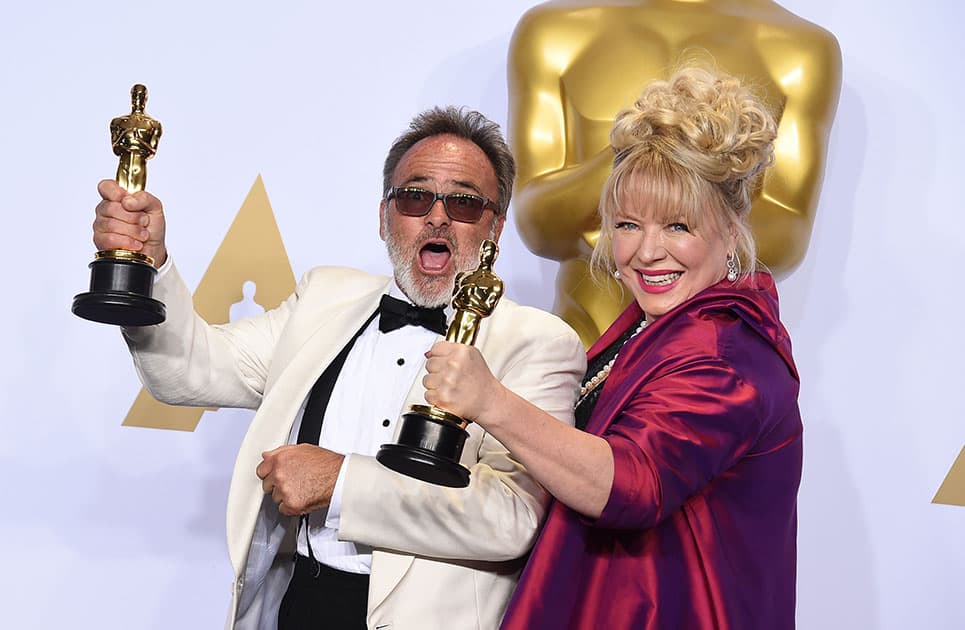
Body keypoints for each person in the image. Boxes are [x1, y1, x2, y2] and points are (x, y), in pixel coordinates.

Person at [92, 107, 586, 630]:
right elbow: (189, 370)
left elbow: (512, 519)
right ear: (384, 215)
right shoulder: (324, 297)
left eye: (464, 203)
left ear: (495, 228)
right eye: (416, 197)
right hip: (301, 604)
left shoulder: (538, 342)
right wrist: (149, 262)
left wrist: (342, 481)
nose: (437, 217)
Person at [424, 66, 802, 628]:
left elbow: (631, 484)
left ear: (730, 228)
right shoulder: (655, 322)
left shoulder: (724, 355)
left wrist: (490, 402)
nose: (647, 252)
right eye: (628, 224)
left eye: (678, 225)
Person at [508, 0, 842, 346]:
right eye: (628, 223)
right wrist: (651, 143)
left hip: (712, 354)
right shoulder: (554, 31)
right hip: (581, 349)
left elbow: (787, 235)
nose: (650, 249)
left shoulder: (801, 48)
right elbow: (538, 223)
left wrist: (623, 223)